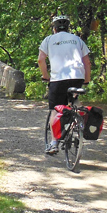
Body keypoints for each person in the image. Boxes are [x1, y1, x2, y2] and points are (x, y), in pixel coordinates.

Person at [38, 15, 91, 155]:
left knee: (56, 109)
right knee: (74, 101)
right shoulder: (77, 40)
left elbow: (40, 60)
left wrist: (46, 76)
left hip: (58, 80)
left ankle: (54, 142)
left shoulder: (48, 40)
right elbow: (87, 63)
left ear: (54, 29)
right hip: (77, 78)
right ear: (68, 28)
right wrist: (86, 80)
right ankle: (77, 124)